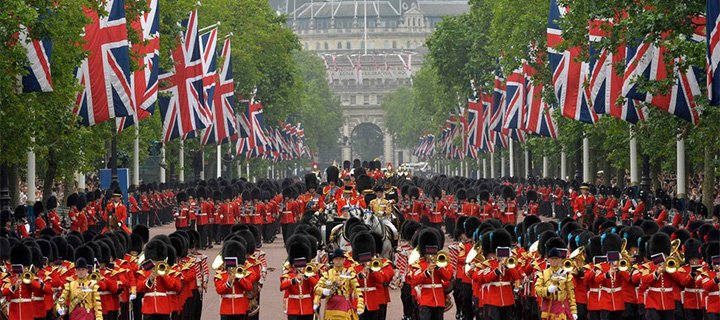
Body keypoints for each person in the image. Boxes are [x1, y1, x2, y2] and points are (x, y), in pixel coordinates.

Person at [409, 228, 451, 320]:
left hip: (439, 299)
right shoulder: (418, 264)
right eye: (428, 252)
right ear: (424, 252)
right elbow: (414, 280)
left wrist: (439, 267)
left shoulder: (442, 263)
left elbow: (448, 277)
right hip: (425, 299)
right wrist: (426, 273)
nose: (431, 255)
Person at [313, 248, 364, 319]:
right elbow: (316, 288)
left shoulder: (349, 273)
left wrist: (360, 305)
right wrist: (324, 291)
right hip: (331, 305)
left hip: (344, 304)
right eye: (336, 259)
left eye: (340, 259)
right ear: (333, 260)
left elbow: (357, 290)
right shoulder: (327, 274)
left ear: (344, 260)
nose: (338, 261)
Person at [535, 238, 577, 320]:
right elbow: (537, 290)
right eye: (552, 259)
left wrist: (574, 311)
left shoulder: (566, 274)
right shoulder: (543, 274)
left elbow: (571, 295)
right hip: (549, 308)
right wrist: (547, 290)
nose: (554, 261)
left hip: (562, 308)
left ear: (560, 260)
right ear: (549, 260)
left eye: (556, 258)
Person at [215, 240, 258, 320]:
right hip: (226, 309)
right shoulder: (220, 274)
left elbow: (249, 287)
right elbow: (219, 290)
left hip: (241, 308)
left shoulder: (242, 272)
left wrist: (239, 278)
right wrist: (228, 282)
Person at [57, 247, 104, 320]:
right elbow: (61, 300)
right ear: (75, 271)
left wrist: (99, 318)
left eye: (83, 269)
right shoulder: (70, 285)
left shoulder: (92, 285)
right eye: (79, 270)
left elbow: (97, 305)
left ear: (86, 271)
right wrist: (60, 311)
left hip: (88, 316)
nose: (81, 272)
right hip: (74, 316)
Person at [280, 238, 319, 320]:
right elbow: (282, 287)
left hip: (307, 307)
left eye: (302, 265)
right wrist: (293, 280)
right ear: (293, 265)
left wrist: (308, 277)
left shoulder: (309, 274)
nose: (301, 267)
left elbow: (317, 285)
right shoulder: (289, 275)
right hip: (293, 307)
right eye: (299, 265)